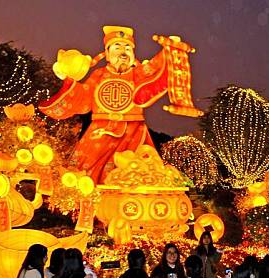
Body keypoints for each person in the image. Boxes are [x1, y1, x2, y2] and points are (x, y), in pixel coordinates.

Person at [39, 26, 171, 184]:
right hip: (100, 132)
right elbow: (84, 98)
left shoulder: (138, 74)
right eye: (117, 47)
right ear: (107, 53)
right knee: (84, 175)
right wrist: (69, 80)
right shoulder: (99, 75)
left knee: (139, 171)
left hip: (134, 132)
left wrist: (169, 52)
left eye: (128, 48)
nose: (123, 52)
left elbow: (156, 70)